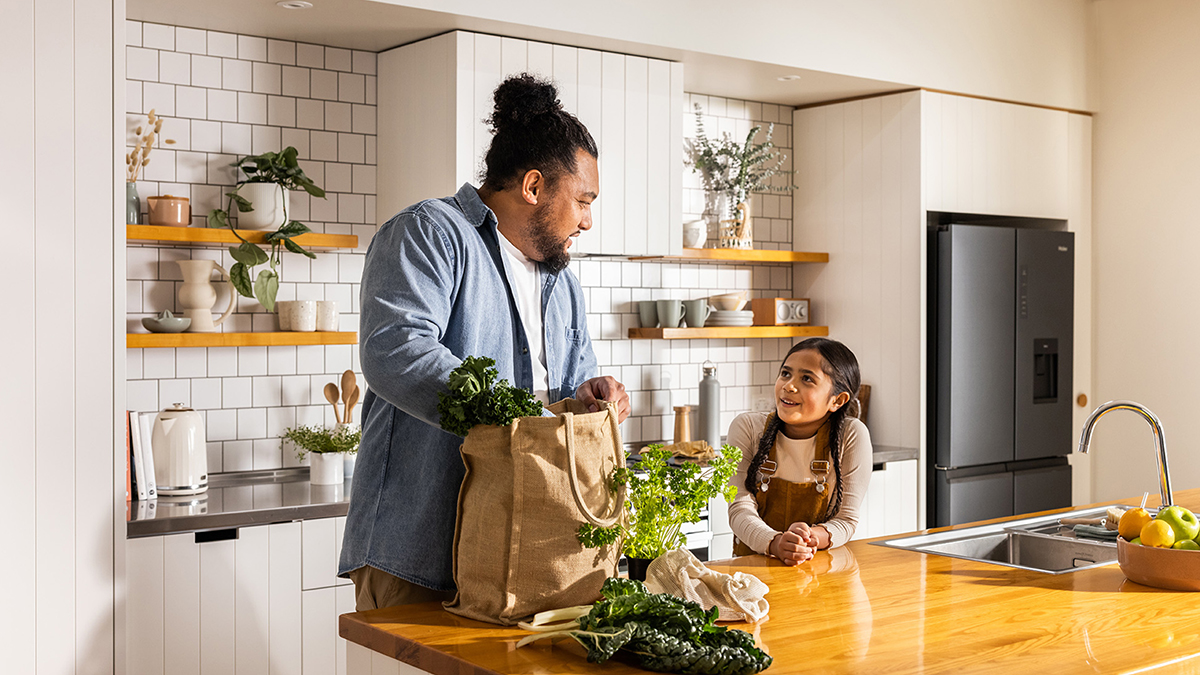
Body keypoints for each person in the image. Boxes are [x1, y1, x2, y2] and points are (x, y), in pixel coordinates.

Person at [338, 73, 630, 611]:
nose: (588, 220)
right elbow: (396, 353)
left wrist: (592, 397)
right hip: (421, 553)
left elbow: (567, 390)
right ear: (535, 187)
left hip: (523, 554)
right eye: (583, 200)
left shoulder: (562, 281)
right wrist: (514, 415)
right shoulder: (430, 232)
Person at [727, 337, 872, 565]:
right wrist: (775, 542)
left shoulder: (851, 435)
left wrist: (809, 538)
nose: (789, 386)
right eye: (785, 373)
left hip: (823, 574)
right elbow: (739, 508)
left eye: (806, 379)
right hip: (752, 574)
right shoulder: (747, 428)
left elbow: (846, 520)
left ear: (837, 400)